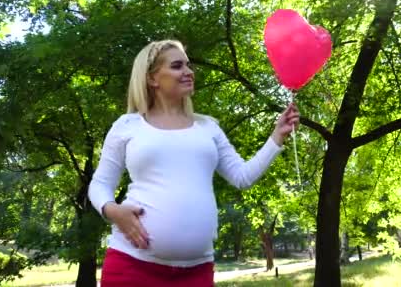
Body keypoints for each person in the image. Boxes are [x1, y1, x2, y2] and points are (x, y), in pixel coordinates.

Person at [88, 39, 300, 286]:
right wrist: (113, 211)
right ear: (152, 78)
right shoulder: (127, 126)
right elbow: (100, 184)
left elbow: (242, 176)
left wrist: (277, 136)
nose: (189, 72)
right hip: (132, 266)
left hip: (196, 272)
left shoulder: (208, 127)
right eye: (177, 66)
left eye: (188, 65)